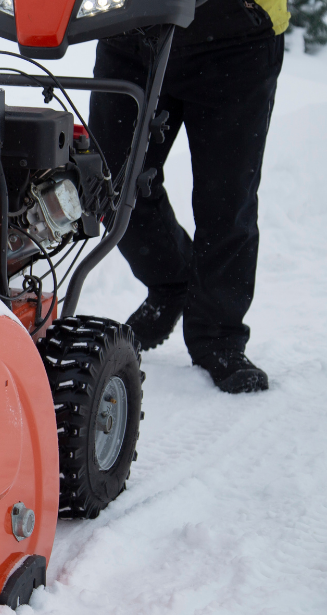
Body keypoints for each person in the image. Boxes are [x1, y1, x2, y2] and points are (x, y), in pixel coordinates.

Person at [89, 0, 288, 394]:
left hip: (236, 37)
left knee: (227, 201)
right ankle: (171, 279)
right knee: (109, 184)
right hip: (129, 28)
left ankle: (219, 336)